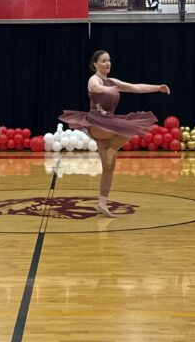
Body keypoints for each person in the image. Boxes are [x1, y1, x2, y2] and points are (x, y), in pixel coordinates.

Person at [59, 50, 170, 217]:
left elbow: (136, 87)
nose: (107, 63)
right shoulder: (94, 79)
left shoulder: (113, 81)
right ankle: (112, 150)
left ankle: (102, 204)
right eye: (103, 61)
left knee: (108, 168)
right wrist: (107, 89)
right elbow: (94, 87)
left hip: (110, 123)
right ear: (95, 64)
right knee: (132, 127)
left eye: (109, 60)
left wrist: (158, 88)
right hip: (97, 123)